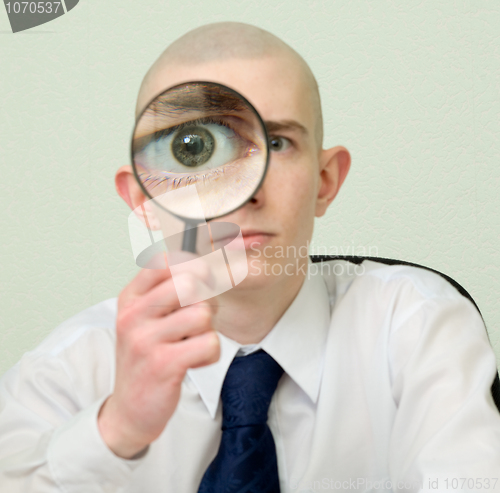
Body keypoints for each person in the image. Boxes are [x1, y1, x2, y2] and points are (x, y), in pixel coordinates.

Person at [1, 21, 499, 493]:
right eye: (193, 148)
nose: (244, 193)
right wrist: (115, 431)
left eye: (277, 143)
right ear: (142, 200)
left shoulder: (419, 328)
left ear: (326, 182)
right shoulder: (60, 376)